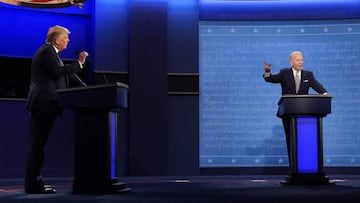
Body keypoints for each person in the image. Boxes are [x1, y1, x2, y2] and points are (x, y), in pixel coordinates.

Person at [25, 25, 88, 194]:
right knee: (38, 146)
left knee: (40, 146)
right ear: (57, 40)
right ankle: (33, 185)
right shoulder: (46, 52)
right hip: (42, 104)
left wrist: (87, 88)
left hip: (46, 105)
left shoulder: (54, 54)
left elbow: (67, 75)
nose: (68, 41)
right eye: (66, 38)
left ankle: (35, 183)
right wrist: (80, 63)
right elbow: (59, 71)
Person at [263, 51, 328, 168]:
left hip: (305, 114)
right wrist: (267, 72)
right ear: (291, 62)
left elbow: (317, 86)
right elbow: (271, 79)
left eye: (302, 60)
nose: (301, 62)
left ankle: (307, 167)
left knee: (304, 141)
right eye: (298, 60)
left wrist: (325, 93)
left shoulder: (308, 75)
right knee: (291, 139)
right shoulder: (284, 73)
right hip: (288, 112)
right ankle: (293, 167)